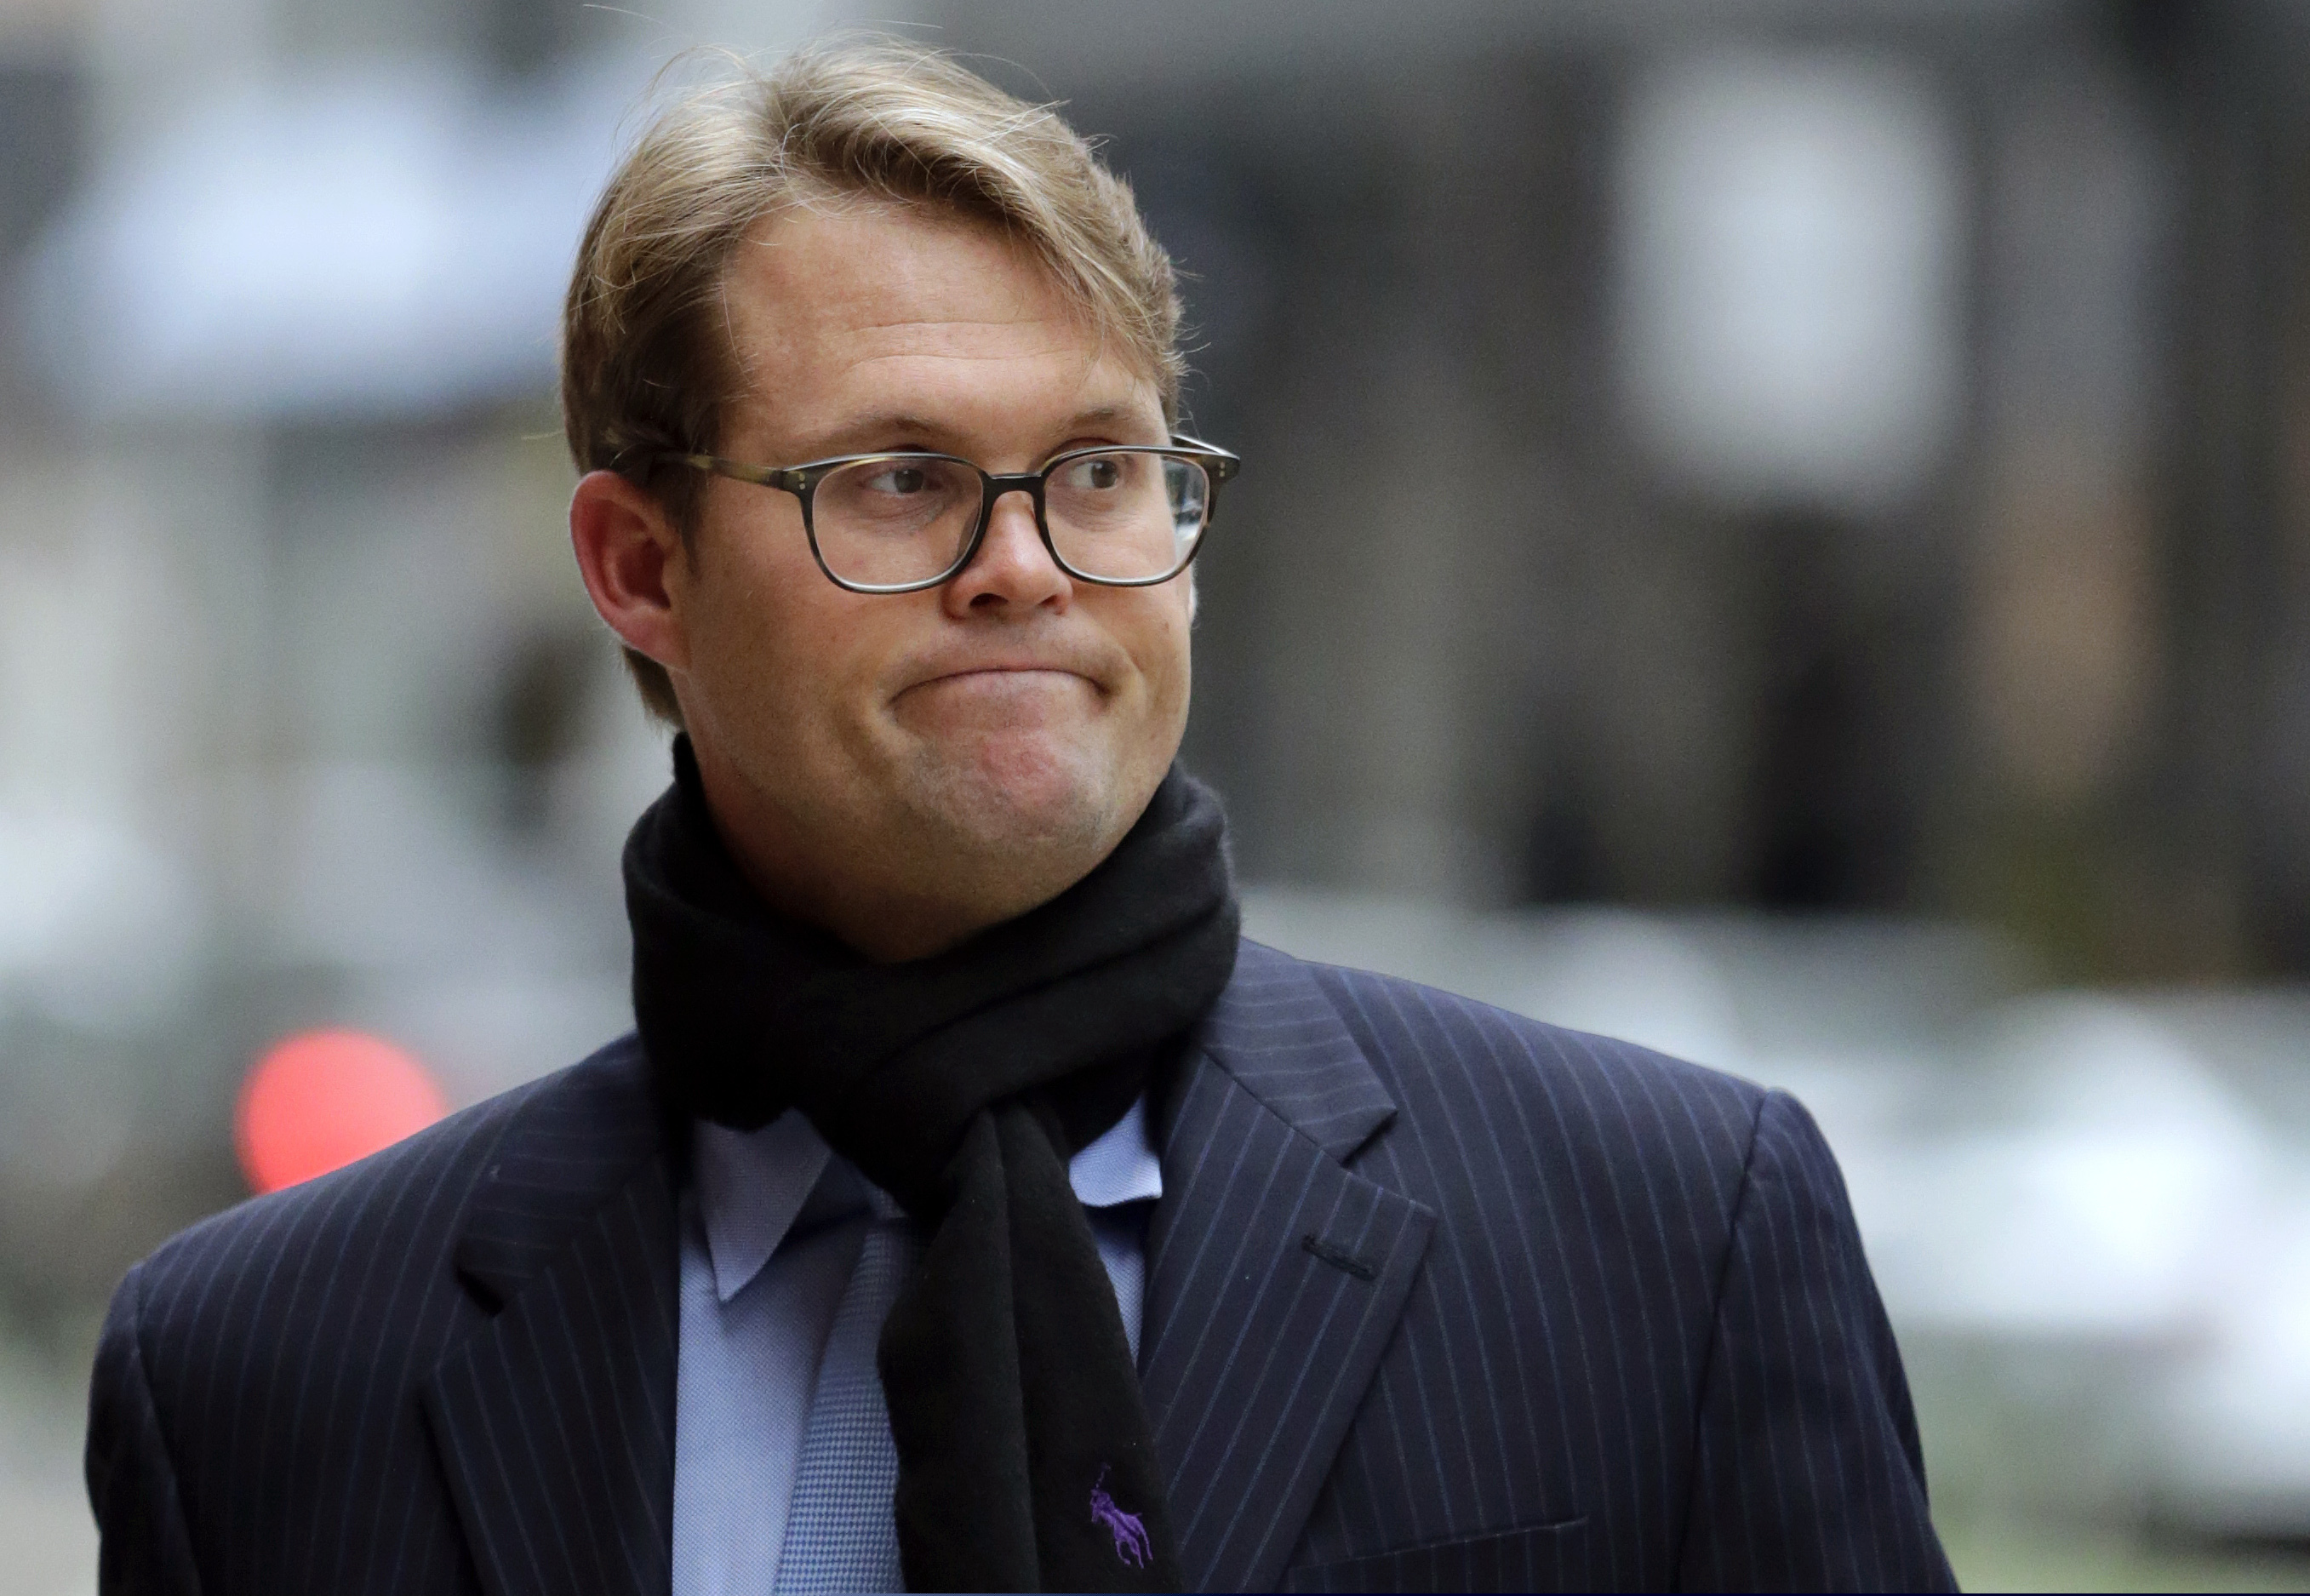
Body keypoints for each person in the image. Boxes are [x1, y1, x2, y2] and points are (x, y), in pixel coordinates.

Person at [84, 42, 1955, 1596]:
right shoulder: (258, 1379)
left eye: (1099, 470)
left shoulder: (1669, 1241)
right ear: (639, 565)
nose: (1023, 566)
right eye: (899, 480)